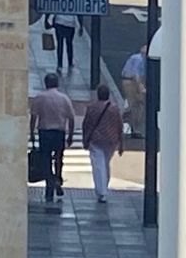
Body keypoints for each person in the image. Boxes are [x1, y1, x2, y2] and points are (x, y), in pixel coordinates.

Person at [29, 73, 77, 203]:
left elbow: (34, 117)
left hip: (44, 131)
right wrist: (70, 135)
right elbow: (71, 118)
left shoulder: (40, 98)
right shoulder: (64, 98)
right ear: (57, 84)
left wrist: (32, 133)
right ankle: (58, 178)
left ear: (46, 84)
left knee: (45, 159)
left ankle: (49, 184)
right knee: (58, 157)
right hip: (59, 132)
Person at [81, 83, 124, 203]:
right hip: (111, 140)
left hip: (96, 139)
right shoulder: (114, 109)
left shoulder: (92, 108)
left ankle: (101, 191)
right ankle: (104, 186)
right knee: (105, 163)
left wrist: (85, 139)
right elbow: (119, 126)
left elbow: (86, 124)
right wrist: (121, 143)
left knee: (98, 165)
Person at [121, 44, 147, 138]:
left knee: (135, 105)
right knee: (135, 105)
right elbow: (136, 74)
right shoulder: (139, 59)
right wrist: (140, 86)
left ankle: (132, 126)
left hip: (130, 81)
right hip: (131, 82)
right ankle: (133, 127)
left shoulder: (138, 58)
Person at [50, 10, 80, 75]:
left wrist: (47, 19)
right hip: (70, 23)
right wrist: (81, 25)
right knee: (69, 43)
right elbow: (79, 11)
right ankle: (70, 62)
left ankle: (60, 64)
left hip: (59, 20)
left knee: (60, 44)